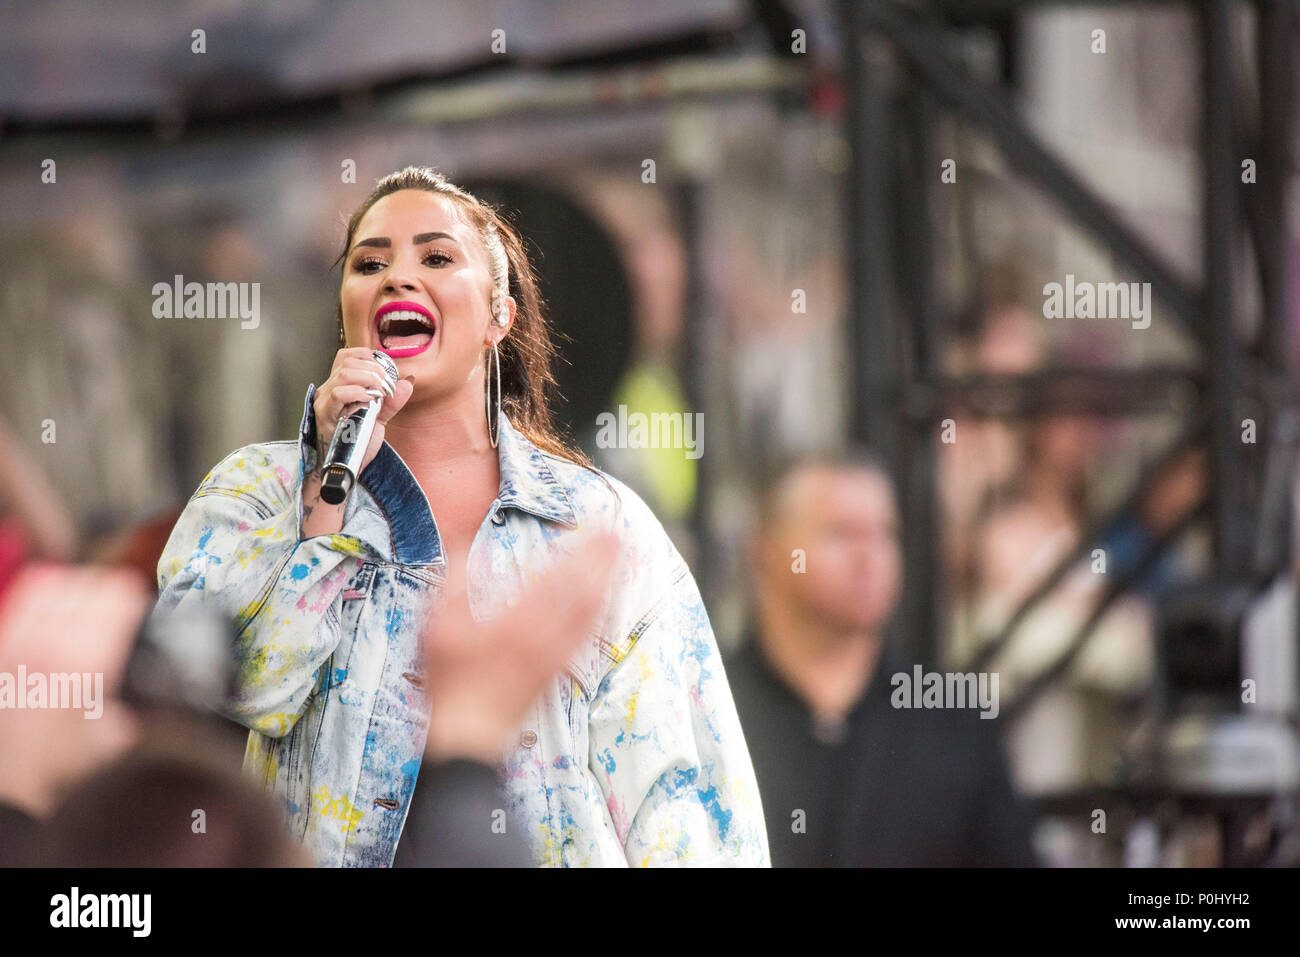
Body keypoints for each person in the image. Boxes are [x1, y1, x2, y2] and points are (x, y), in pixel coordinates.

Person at [155, 166, 769, 868]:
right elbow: (240, 697)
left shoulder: (596, 525)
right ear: (348, 308)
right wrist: (328, 492)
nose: (397, 278)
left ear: (498, 315)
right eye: (370, 263)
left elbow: (681, 803)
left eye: (437, 257)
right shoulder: (253, 492)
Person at [726, 451, 1037, 866]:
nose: (869, 557)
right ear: (764, 550)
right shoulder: (711, 711)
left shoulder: (951, 715)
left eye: (885, 534)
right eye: (840, 534)